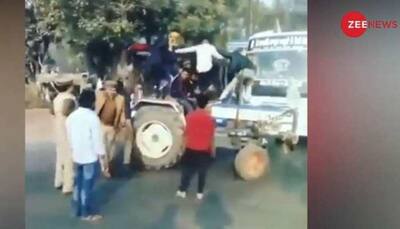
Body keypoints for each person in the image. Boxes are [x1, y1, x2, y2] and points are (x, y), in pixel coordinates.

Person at [65, 89, 108, 221]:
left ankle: (76, 210)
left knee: (78, 184)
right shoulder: (92, 117)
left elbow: (69, 137)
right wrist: (102, 157)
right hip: (89, 156)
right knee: (87, 186)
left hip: (76, 155)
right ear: (92, 102)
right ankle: (85, 213)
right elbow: (97, 140)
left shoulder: (71, 117)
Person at [176, 94, 216, 200]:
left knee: (187, 172)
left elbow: (186, 134)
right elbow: (211, 137)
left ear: (197, 103)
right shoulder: (211, 120)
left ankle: (182, 191)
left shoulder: (190, 116)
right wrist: (213, 151)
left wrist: (182, 149)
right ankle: (199, 193)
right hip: (204, 150)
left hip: (190, 149)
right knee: (202, 173)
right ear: (206, 104)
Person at [95, 80, 126, 177]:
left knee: (111, 150)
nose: (112, 91)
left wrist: (123, 120)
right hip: (101, 125)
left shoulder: (120, 99)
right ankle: (105, 169)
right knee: (103, 148)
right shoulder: (100, 96)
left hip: (113, 126)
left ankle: (108, 164)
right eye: (110, 89)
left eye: (114, 89)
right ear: (106, 89)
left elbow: (122, 112)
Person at [52, 77, 77, 194]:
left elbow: (52, 111)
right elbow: (67, 111)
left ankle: (59, 180)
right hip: (68, 129)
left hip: (58, 127)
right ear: (69, 86)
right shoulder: (70, 98)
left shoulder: (56, 98)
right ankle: (68, 185)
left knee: (60, 155)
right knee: (69, 158)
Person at [116, 79, 134, 168]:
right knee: (129, 140)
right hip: (126, 119)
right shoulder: (125, 95)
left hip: (116, 120)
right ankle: (126, 161)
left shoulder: (114, 96)